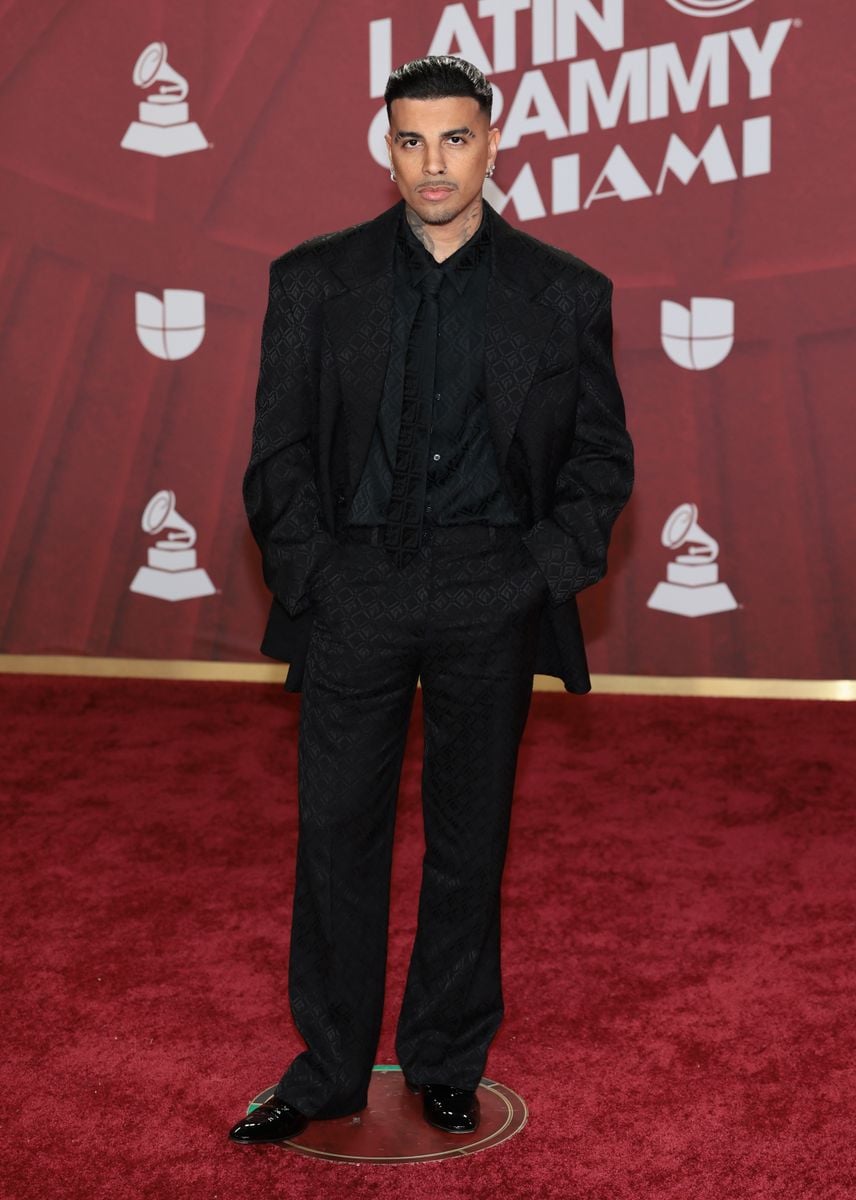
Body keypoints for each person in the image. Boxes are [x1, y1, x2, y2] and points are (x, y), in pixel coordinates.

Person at [228, 55, 633, 1145]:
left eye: (454, 138)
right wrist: (317, 574)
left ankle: (448, 1056)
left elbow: (600, 466)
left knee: (469, 836)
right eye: (411, 140)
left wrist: (531, 575)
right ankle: (326, 1072)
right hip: (354, 585)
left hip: (488, 586)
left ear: (493, 143)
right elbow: (275, 461)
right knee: (335, 835)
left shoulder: (564, 292)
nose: (433, 162)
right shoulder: (313, 281)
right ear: (386, 147)